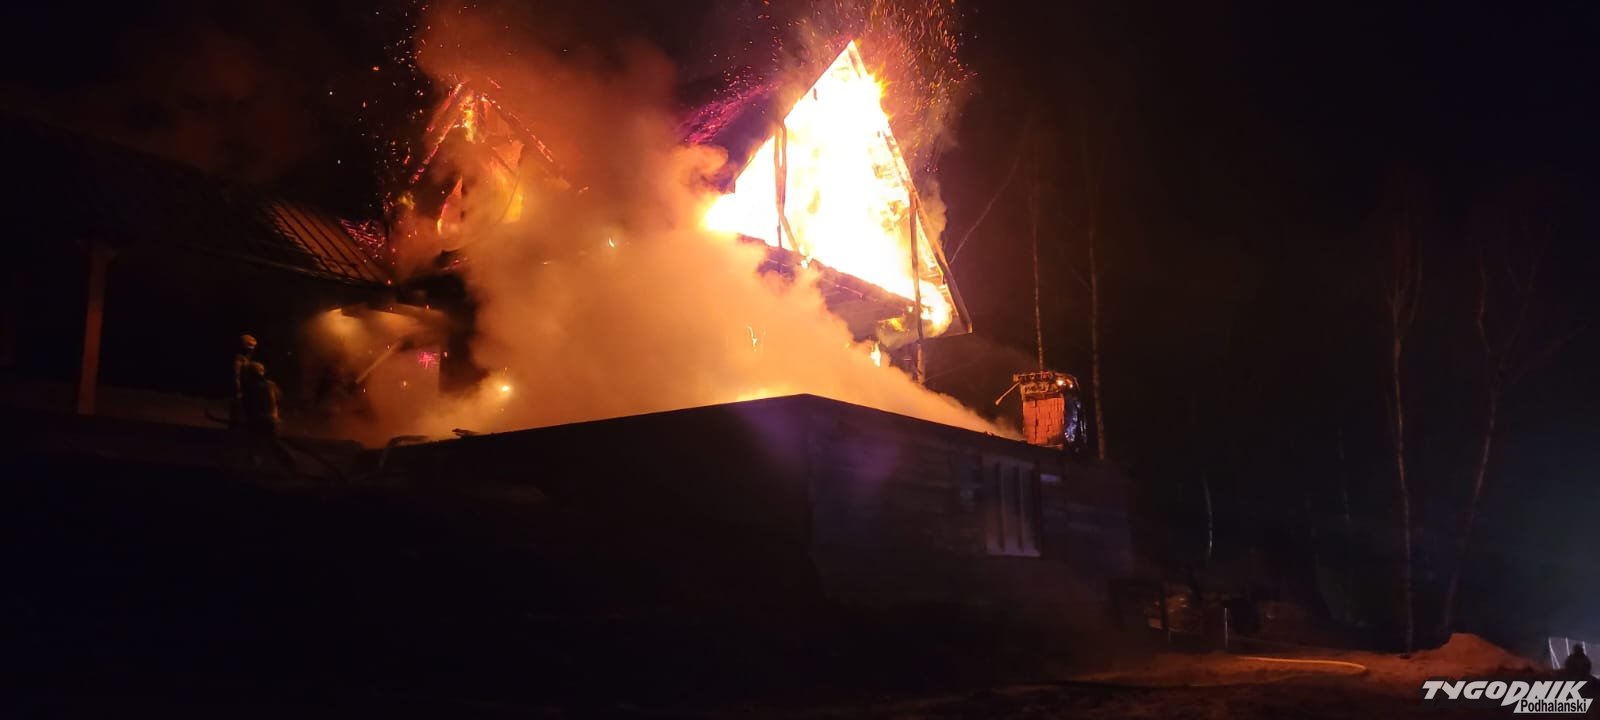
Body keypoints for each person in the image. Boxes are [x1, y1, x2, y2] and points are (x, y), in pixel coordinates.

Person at [239, 360, 295, 472]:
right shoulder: (270, 385)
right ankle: (286, 462)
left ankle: (287, 461)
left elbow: (246, 405)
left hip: (258, 420)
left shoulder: (249, 387)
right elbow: (279, 397)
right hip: (271, 419)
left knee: (255, 444)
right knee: (270, 443)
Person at [231, 334, 258, 428]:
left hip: (246, 391)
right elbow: (236, 376)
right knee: (239, 416)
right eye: (250, 347)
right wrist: (238, 391)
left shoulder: (246, 360)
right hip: (241, 392)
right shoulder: (239, 360)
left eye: (253, 347)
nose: (252, 350)